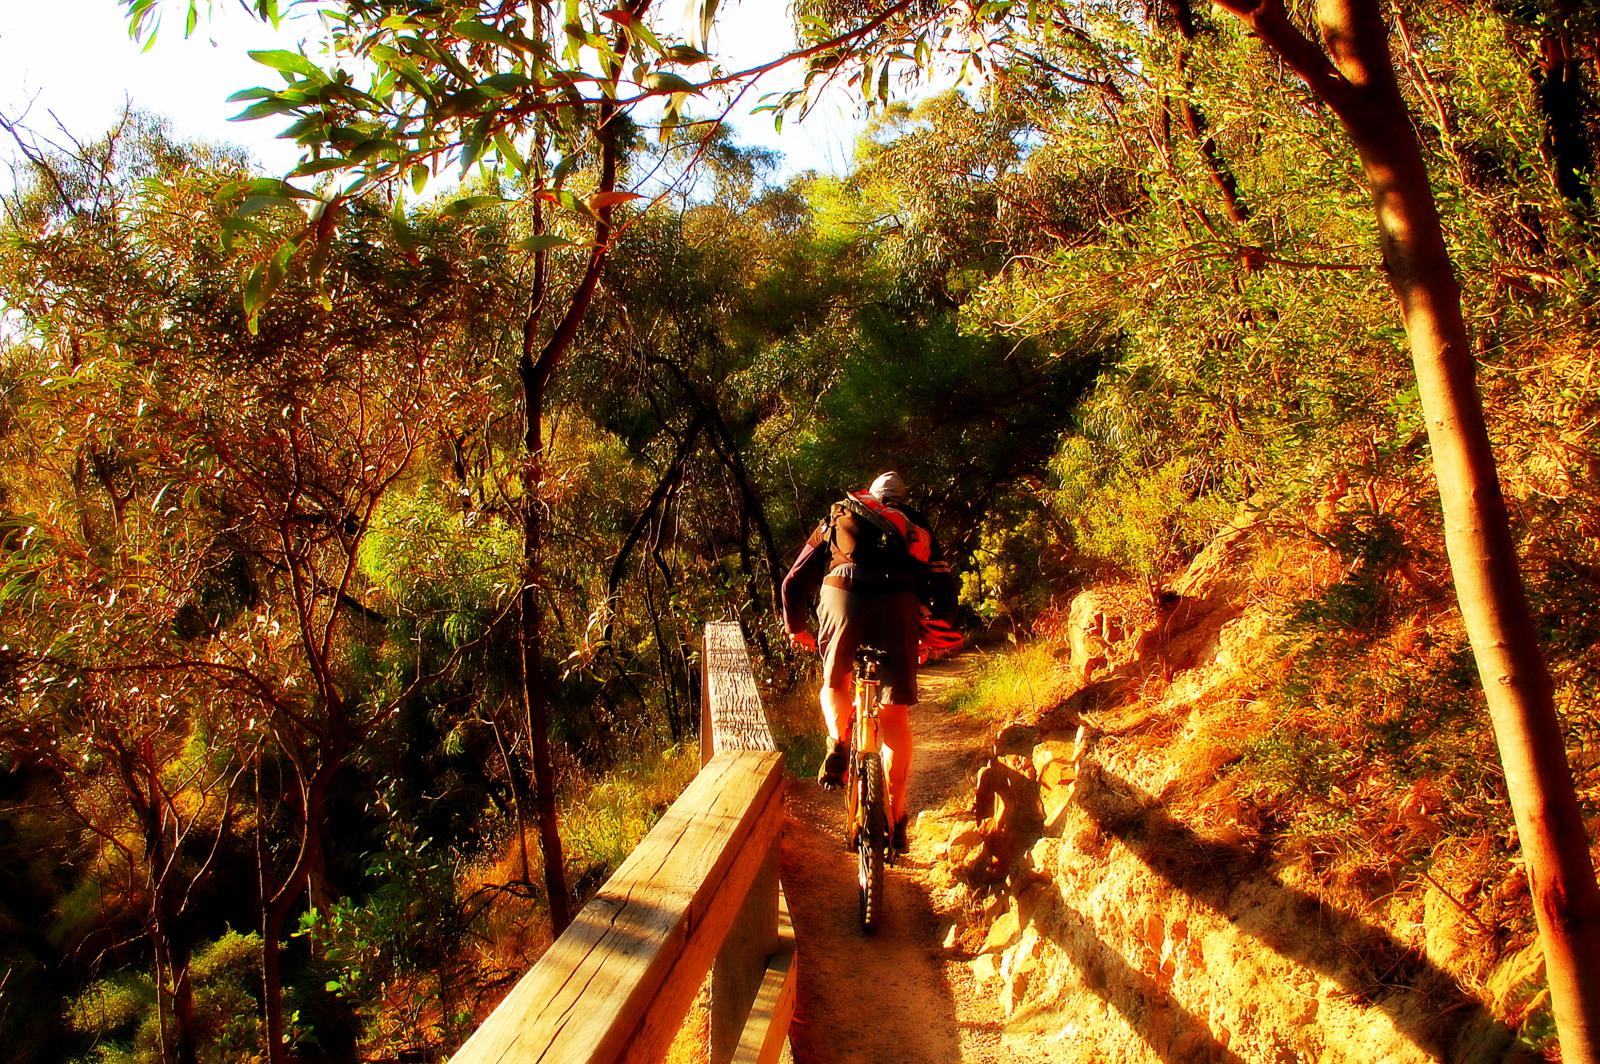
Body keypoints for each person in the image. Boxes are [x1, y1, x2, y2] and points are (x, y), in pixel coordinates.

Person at [780, 471, 958, 852]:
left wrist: (796, 627)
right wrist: (938, 630)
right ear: (902, 498)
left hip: (842, 593)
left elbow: (794, 581)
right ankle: (896, 819)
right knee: (894, 718)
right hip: (899, 603)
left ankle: (839, 740)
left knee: (835, 684)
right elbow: (942, 585)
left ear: (871, 496)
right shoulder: (915, 526)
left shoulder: (840, 515)